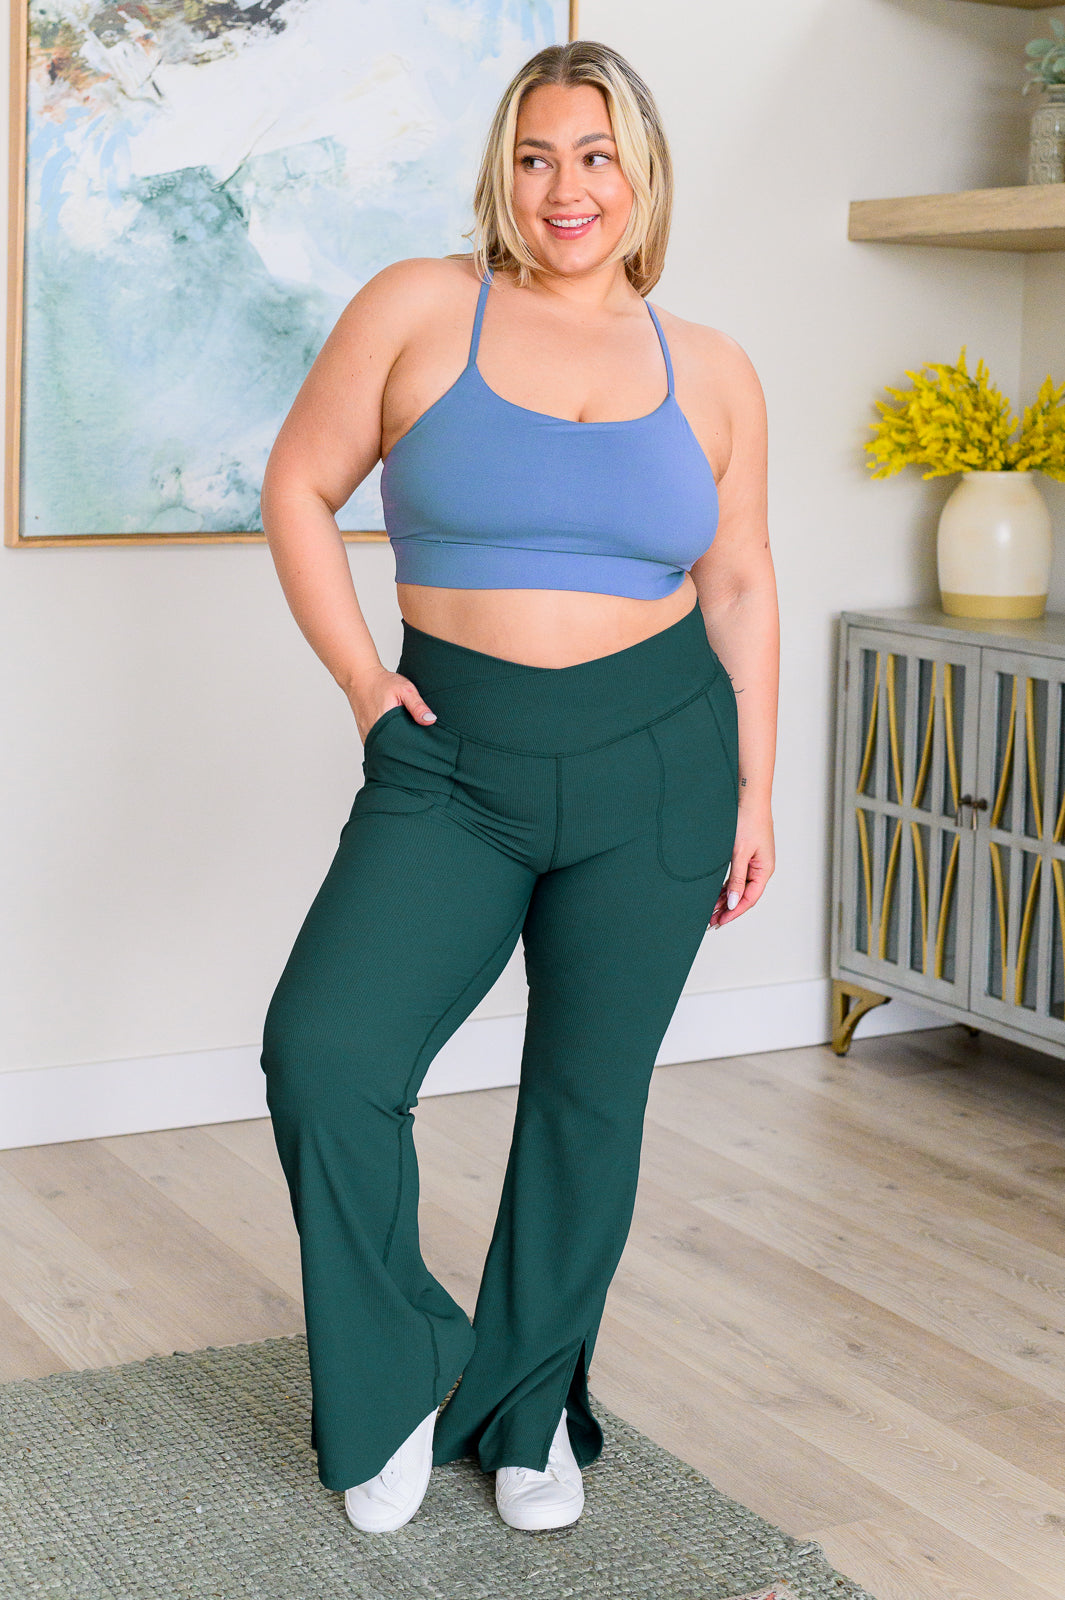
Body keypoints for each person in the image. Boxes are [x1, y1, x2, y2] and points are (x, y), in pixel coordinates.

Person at [258, 38, 778, 1536]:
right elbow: (299, 485)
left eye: (596, 156)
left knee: (586, 1102)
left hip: (661, 760)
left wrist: (753, 790)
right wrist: (366, 683)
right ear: (504, 170)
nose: (567, 188)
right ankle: (404, 1377)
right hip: (454, 760)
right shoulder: (422, 307)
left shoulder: (714, 368)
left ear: (642, 175)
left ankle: (530, 1405)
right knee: (326, 1054)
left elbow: (741, 582)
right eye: (539, 156)